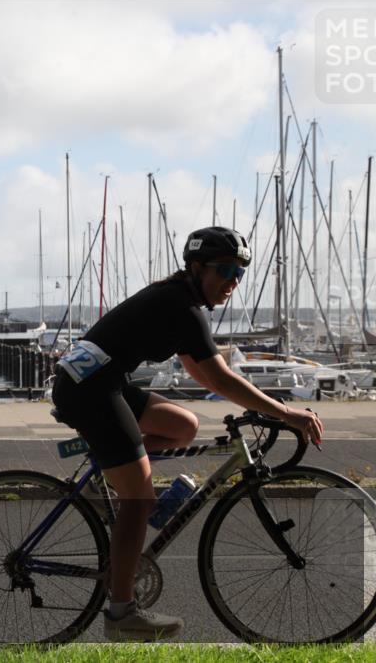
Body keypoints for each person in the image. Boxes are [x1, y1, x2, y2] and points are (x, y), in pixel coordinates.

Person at [50, 226, 324, 642]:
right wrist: (285, 413)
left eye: (239, 273)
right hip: (90, 390)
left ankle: (106, 475)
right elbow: (220, 379)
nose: (232, 281)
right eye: (224, 270)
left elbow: (204, 374)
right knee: (139, 499)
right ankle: (122, 614)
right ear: (196, 268)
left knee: (183, 426)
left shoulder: (180, 300)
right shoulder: (181, 307)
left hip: (98, 381)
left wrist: (265, 407)